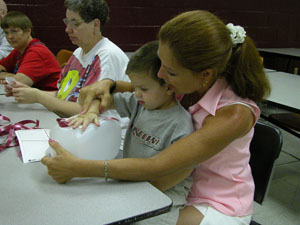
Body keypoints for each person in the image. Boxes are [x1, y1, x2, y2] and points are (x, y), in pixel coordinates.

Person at [42, 10, 271, 225]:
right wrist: (108, 83)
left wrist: (79, 168)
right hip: (170, 183)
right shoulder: (187, 81)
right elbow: (139, 87)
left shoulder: (234, 115)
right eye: (161, 64)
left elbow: (157, 165)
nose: (161, 75)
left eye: (170, 72)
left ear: (205, 75)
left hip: (215, 200)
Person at [66, 41, 194, 224]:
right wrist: (93, 111)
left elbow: (166, 180)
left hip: (165, 198)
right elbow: (102, 98)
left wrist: (123, 188)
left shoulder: (181, 126)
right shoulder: (140, 103)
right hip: (132, 182)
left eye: (143, 89)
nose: (137, 93)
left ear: (169, 87)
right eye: (134, 87)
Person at [4, 0, 129, 118]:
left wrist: (38, 96)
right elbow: (64, 95)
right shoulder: (78, 52)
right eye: (67, 22)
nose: (67, 29)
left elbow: (86, 110)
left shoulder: (107, 56)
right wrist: (28, 92)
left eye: (75, 23)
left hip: (103, 132)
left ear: (95, 25)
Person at [0, 11, 61, 90]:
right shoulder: (19, 49)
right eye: (6, 33)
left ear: (28, 31)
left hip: (50, 98)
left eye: (14, 31)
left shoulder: (37, 52)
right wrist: (7, 75)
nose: (10, 36)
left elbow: (18, 82)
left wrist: (4, 75)